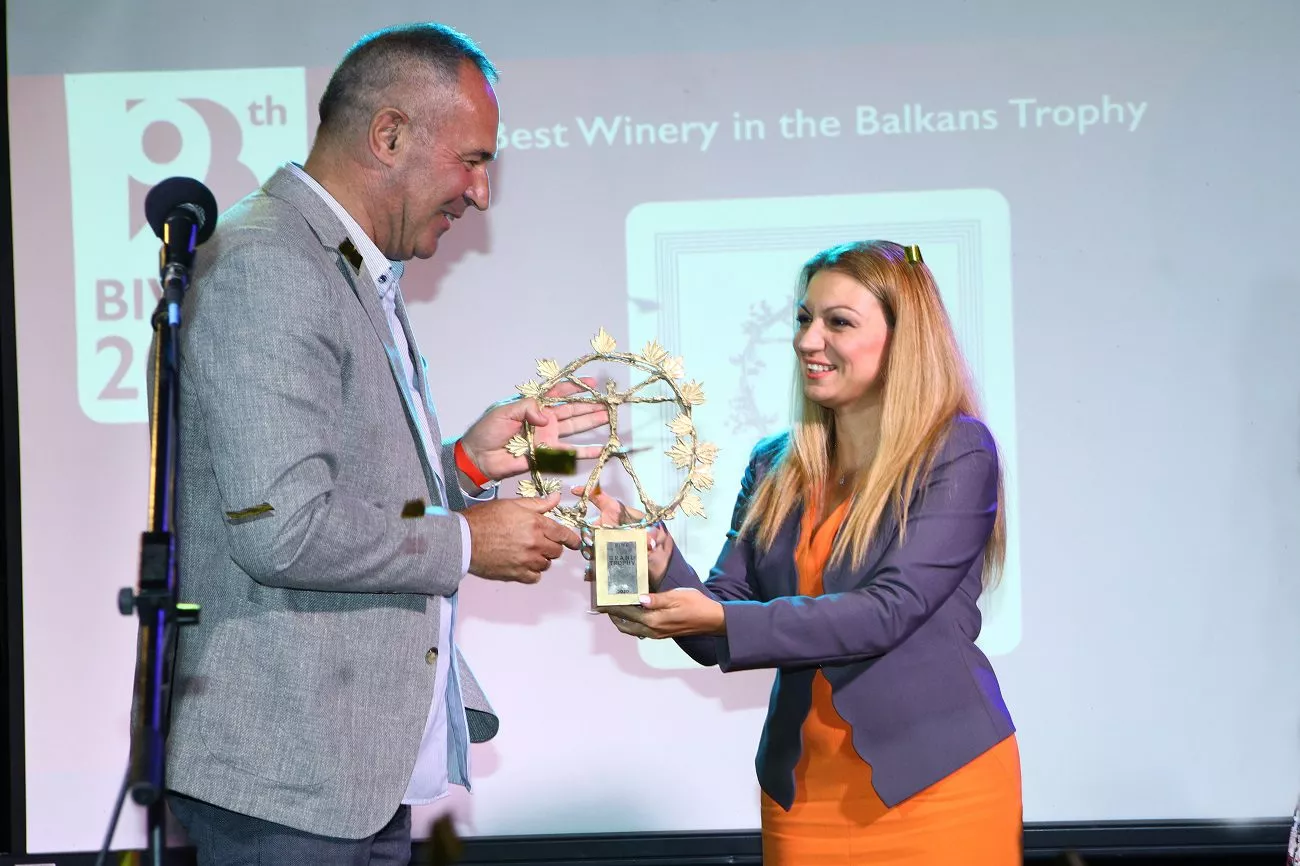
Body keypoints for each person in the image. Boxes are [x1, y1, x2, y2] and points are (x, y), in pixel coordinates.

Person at [161, 23, 604, 863]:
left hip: (347, 777)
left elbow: (343, 492)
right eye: (472, 161)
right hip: (284, 783)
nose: (481, 194)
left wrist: (461, 466)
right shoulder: (269, 264)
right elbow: (284, 529)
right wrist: (467, 540)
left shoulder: (339, 263)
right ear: (389, 135)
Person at [588, 240, 1021, 864]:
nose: (807, 340)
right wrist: (657, 562)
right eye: (804, 318)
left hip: (939, 787)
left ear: (905, 339)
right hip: (803, 797)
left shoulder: (957, 451)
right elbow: (719, 625)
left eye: (837, 322)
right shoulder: (775, 463)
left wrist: (721, 617)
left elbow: (887, 612)